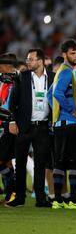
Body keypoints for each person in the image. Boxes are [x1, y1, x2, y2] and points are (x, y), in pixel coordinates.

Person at [7, 48, 55, 207]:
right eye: (27, 59)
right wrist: (12, 121)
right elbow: (12, 102)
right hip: (24, 127)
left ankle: (40, 198)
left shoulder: (53, 78)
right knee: (19, 163)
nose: (27, 62)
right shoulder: (23, 77)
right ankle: (19, 197)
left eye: (31, 59)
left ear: (40, 61)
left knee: (40, 164)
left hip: (43, 127)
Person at [49, 39, 76, 209]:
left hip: (60, 124)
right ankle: (73, 200)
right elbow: (57, 93)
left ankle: (57, 200)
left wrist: (57, 113)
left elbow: (50, 96)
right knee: (74, 161)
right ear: (64, 55)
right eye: (72, 53)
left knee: (60, 162)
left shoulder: (60, 72)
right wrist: (72, 111)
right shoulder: (66, 72)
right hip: (70, 124)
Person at [0, 53, 18, 204]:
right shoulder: (2, 81)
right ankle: (10, 193)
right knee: (6, 162)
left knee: (3, 159)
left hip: (9, 124)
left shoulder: (16, 80)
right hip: (1, 123)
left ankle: (12, 191)